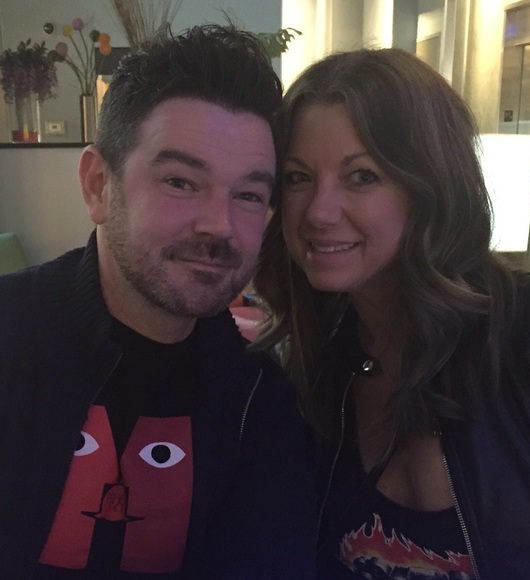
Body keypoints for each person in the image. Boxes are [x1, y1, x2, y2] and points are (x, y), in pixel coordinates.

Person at [0, 24, 317, 579]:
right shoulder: (12, 336)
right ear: (98, 185)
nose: (219, 224)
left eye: (248, 194)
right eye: (180, 182)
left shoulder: (259, 404)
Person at [253, 47, 530, 580]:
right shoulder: (312, 366)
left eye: (362, 176)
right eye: (297, 177)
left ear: (431, 185)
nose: (319, 211)